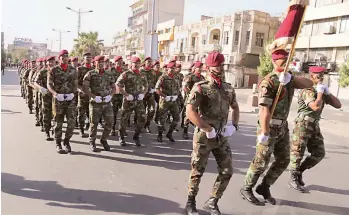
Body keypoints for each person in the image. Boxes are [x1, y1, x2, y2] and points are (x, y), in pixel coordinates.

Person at [240, 49, 313, 206]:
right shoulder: (269, 81)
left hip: (282, 127)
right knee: (261, 161)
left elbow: (309, 84)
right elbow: (264, 109)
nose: (286, 64)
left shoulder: (288, 79)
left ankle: (264, 186)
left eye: (288, 61)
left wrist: (290, 78)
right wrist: (264, 132)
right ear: (274, 62)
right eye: (283, 61)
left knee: (284, 159)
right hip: (269, 126)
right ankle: (246, 188)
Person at [184, 51, 239, 215]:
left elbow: (235, 107)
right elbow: (190, 112)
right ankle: (190, 201)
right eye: (217, 65)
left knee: (227, 170)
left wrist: (234, 126)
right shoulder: (201, 87)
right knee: (197, 171)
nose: (221, 68)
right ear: (209, 67)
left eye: (222, 64)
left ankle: (213, 201)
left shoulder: (228, 88)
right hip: (204, 137)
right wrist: (207, 128)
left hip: (221, 137)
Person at [288, 66, 342, 192]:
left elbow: (338, 105)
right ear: (311, 76)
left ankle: (299, 171)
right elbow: (315, 107)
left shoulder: (321, 90)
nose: (321, 78)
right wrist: (320, 93)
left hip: (314, 125)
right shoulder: (307, 90)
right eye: (318, 76)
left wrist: (327, 93)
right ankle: (293, 178)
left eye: (322, 76)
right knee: (297, 152)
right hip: (302, 124)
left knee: (319, 153)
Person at [47, 49, 78, 154]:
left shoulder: (73, 70)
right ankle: (58, 143)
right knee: (58, 123)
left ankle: (66, 141)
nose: (65, 58)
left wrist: (73, 94)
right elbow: (49, 85)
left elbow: (75, 84)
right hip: (58, 100)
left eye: (67, 56)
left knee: (72, 123)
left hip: (70, 100)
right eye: (63, 56)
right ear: (59, 58)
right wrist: (56, 94)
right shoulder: (53, 70)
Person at [82, 55, 115, 152]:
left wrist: (111, 96)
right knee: (94, 123)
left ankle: (103, 139)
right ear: (94, 63)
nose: (100, 64)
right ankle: (92, 141)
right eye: (98, 62)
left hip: (107, 102)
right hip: (95, 102)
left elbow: (114, 87)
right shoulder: (90, 74)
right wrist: (94, 97)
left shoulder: (109, 74)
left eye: (102, 62)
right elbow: (85, 88)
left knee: (110, 122)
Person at [116, 56, 148, 147]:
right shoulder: (125, 74)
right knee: (124, 119)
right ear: (131, 64)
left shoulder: (142, 75)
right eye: (135, 63)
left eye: (138, 63)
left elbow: (146, 86)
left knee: (142, 118)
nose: (137, 65)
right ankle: (121, 136)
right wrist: (126, 95)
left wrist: (143, 94)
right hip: (128, 100)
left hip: (138, 100)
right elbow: (118, 85)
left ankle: (136, 136)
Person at [155, 60, 181, 143]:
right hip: (165, 101)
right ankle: (159, 134)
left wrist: (176, 95)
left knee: (177, 118)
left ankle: (169, 133)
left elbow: (178, 88)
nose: (173, 70)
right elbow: (157, 89)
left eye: (174, 68)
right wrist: (164, 96)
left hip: (173, 101)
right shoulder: (163, 77)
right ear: (168, 69)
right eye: (171, 69)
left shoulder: (176, 77)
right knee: (162, 119)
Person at [182, 61, 205, 139]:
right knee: (188, 115)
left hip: (199, 100)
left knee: (199, 115)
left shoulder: (202, 78)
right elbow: (185, 87)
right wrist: (190, 94)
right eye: (199, 68)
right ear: (195, 68)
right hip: (191, 99)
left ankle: (198, 130)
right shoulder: (191, 77)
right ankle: (185, 131)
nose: (200, 69)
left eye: (201, 68)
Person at [34, 56, 56, 141]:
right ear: (46, 63)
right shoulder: (42, 72)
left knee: (56, 114)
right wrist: (41, 88)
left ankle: (54, 130)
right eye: (49, 62)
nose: (51, 63)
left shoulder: (58, 71)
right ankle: (47, 132)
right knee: (46, 114)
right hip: (46, 96)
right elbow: (35, 82)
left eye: (52, 61)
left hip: (56, 96)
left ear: (55, 62)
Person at [77, 52, 93, 137]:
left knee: (91, 112)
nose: (89, 59)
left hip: (92, 95)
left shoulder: (94, 69)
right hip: (82, 95)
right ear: (83, 59)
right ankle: (81, 129)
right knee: (81, 113)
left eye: (90, 57)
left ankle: (89, 126)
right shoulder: (79, 69)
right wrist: (80, 89)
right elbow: (76, 82)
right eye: (87, 57)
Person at [141, 57, 157, 133]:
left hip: (150, 93)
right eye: (148, 62)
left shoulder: (153, 71)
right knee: (142, 111)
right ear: (145, 62)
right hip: (142, 94)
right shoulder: (141, 71)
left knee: (152, 110)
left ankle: (147, 124)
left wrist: (154, 88)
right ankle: (140, 125)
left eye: (151, 62)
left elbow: (155, 81)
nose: (150, 63)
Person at [110, 56, 124, 136]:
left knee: (123, 113)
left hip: (122, 95)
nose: (119, 63)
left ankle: (121, 129)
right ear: (115, 62)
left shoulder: (124, 71)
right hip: (114, 95)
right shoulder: (111, 71)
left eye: (121, 61)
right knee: (114, 113)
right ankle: (112, 128)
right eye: (118, 61)